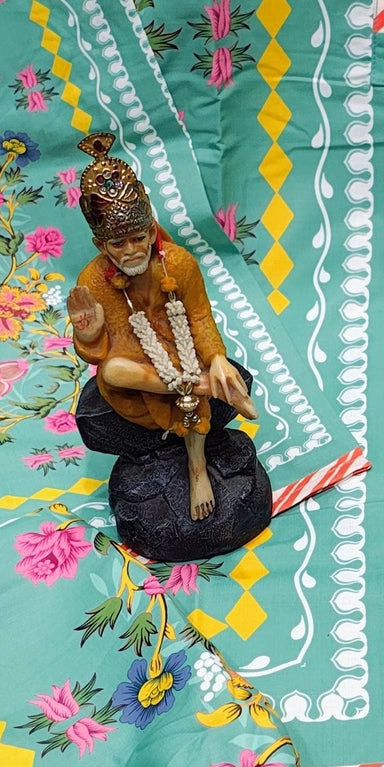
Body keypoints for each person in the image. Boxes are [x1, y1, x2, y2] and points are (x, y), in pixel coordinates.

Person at [66, 130, 258, 525]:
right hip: (139, 375)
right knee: (113, 372)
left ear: (152, 232)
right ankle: (204, 387)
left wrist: (218, 359)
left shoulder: (180, 263)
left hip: (182, 350)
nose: (130, 251)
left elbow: (200, 317)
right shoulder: (94, 280)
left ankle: (197, 468)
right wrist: (88, 334)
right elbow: (101, 355)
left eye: (138, 238)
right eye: (118, 244)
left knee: (201, 365)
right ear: (102, 246)